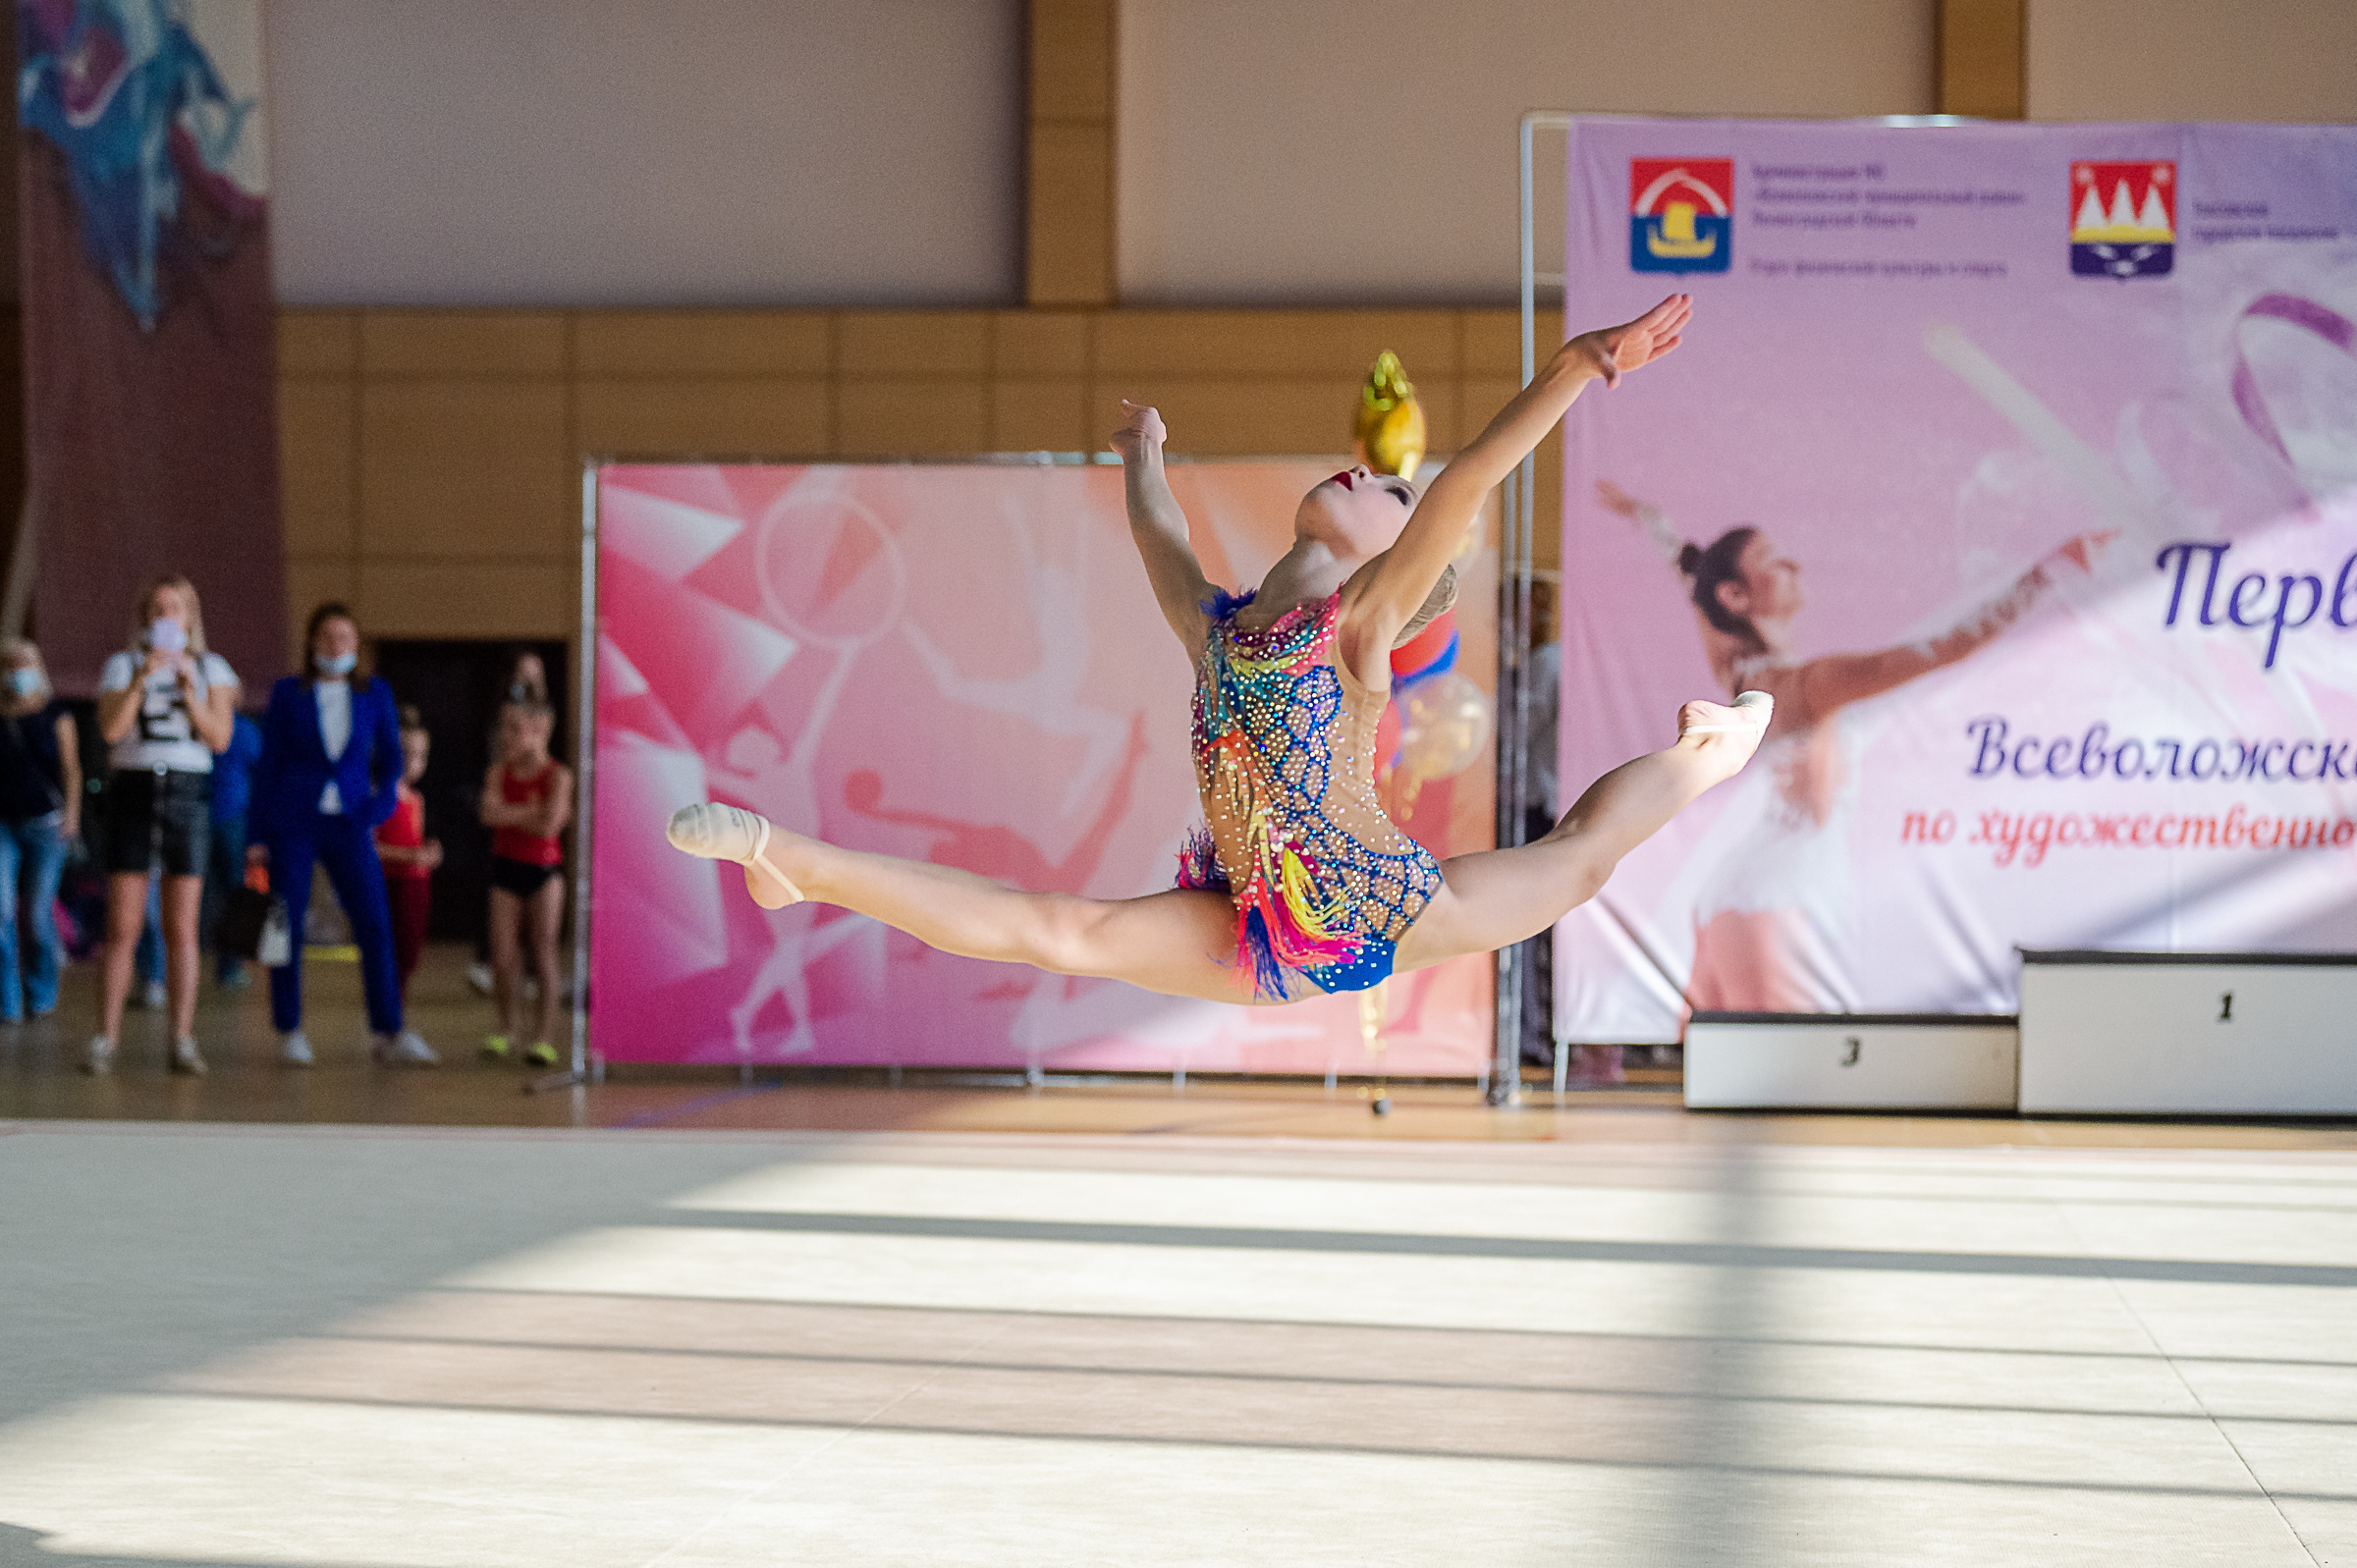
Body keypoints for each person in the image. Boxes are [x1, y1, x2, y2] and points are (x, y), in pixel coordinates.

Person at [668, 295, 1775, 1004]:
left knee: (1581, 853)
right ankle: (786, 858)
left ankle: (1709, 750)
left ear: (1403, 559)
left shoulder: (1360, 625)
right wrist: (1144, 452)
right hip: (1253, 919)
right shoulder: (1219, 632)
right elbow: (1159, 535)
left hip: (1374, 903)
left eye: (1391, 492)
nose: (1367, 476)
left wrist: (1580, 364)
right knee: (1057, 931)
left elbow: (1472, 476)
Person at [1597, 478, 2109, 1011]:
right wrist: (2050, 571)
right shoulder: (1816, 683)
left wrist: (1648, 516)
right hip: (1780, 904)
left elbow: (1688, 575)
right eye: (1774, 561)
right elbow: (1950, 645)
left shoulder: (1735, 666)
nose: (1793, 564)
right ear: (1735, 595)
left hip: (1742, 897)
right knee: (1784, 1085)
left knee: (1733, 1079)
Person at [247, 603, 438, 1067]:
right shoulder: (288, 693)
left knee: (374, 921)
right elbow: (268, 765)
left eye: (348, 639)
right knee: (283, 923)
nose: (339, 647)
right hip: (294, 820)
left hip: (351, 821)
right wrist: (257, 834)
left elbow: (392, 758)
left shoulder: (375, 693)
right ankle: (289, 1028)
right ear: (313, 643)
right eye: (331, 638)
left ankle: (388, 1029)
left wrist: (378, 807)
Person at [87, 575, 237, 1075]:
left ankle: (182, 1037)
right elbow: (111, 730)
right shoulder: (121, 664)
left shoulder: (211, 667)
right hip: (133, 789)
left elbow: (219, 738)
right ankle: (105, 1036)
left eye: (176, 608)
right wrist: (142, 678)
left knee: (181, 926)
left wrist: (190, 694)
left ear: (191, 616)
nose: (166, 617)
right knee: (123, 924)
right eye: (157, 609)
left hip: (187, 794)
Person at [478, 699, 570, 1066]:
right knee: (502, 957)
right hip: (506, 868)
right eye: (505, 728)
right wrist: (533, 811)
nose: (509, 736)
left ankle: (544, 1037)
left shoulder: (558, 775)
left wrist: (510, 815)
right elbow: (488, 814)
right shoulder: (498, 774)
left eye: (517, 728)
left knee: (543, 952)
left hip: (544, 871)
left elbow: (550, 827)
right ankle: (505, 1029)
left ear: (539, 729)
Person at [0, 641, 80, 1021]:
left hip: (47, 824)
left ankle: (41, 991)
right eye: (10, 666)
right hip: (3, 825)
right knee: (0, 910)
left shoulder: (56, 713)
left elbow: (71, 768)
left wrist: (73, 813)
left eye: (24, 665)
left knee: (35, 913)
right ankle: (7, 1000)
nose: (18, 672)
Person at [467, 648, 552, 999]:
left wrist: (536, 814)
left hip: (541, 852)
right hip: (505, 832)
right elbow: (491, 809)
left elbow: (549, 819)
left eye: (535, 674)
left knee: (540, 925)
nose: (528, 681)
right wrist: (525, 812)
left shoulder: (547, 716)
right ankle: (489, 964)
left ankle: (535, 974)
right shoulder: (502, 717)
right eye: (522, 673)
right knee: (494, 894)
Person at [374, 705, 442, 1004]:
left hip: (416, 884)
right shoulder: (377, 796)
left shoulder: (417, 799)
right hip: (388, 884)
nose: (414, 763)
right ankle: (389, 1011)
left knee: (410, 947)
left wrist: (427, 854)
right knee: (388, 951)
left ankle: (395, 1006)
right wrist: (409, 857)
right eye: (406, 753)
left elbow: (415, 840)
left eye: (421, 756)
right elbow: (369, 848)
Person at [202, 703, 262, 986]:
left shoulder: (245, 729)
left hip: (230, 820)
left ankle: (231, 966)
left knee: (235, 893)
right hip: (203, 818)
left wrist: (257, 832)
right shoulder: (201, 720)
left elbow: (262, 776)